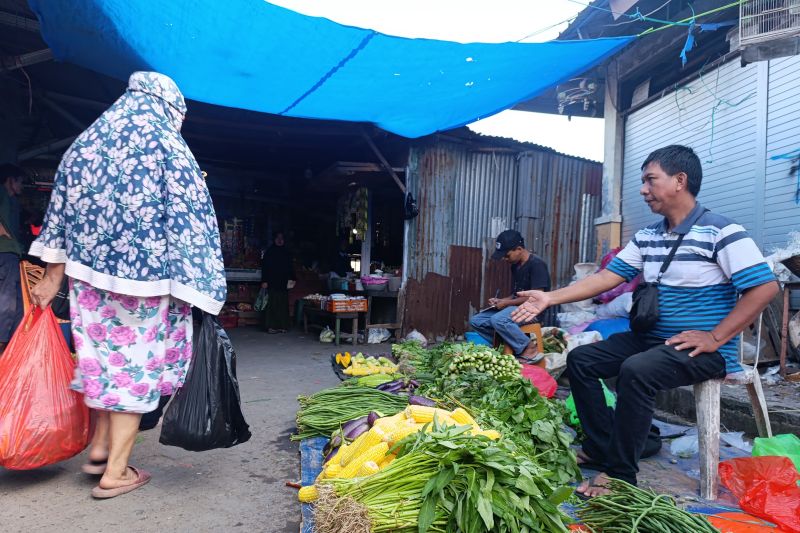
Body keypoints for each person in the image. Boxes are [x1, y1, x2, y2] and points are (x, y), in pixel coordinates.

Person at [512, 145, 778, 497]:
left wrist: (715, 337)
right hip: (654, 339)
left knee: (636, 370)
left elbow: (765, 287)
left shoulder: (722, 232)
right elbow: (608, 277)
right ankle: (602, 445)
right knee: (582, 359)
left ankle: (620, 475)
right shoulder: (649, 235)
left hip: (703, 349)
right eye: (643, 181)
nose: (643, 189)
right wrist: (550, 297)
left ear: (679, 181)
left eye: (650, 180)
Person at [29, 71, 226, 499]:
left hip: (87, 280)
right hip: (145, 286)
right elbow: (192, 220)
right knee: (135, 372)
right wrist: (203, 284)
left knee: (102, 362)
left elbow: (58, 211)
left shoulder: (84, 145)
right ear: (169, 107)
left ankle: (100, 448)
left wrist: (52, 273)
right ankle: (114, 472)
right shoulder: (168, 147)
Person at [469, 229, 550, 360]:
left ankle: (528, 347)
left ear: (519, 249)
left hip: (534, 310)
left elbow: (537, 297)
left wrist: (507, 303)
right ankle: (506, 342)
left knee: (498, 319)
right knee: (477, 320)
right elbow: (516, 295)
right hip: (518, 307)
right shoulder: (516, 266)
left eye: (507, 255)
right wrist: (500, 300)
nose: (506, 259)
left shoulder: (537, 265)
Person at [0, 164, 24, 354]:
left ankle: (11, 343)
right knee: (8, 298)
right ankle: (2, 341)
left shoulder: (12, 201)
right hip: (5, 252)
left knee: (15, 300)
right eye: (20, 182)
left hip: (12, 252)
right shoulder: (1, 193)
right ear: (10, 181)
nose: (21, 186)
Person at [261, 231, 296, 333]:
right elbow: (265, 268)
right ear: (274, 239)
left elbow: (290, 267)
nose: (280, 240)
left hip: (283, 283)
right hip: (271, 282)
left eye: (282, 238)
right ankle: (270, 327)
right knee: (271, 305)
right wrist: (264, 281)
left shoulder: (287, 252)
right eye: (278, 238)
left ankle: (282, 326)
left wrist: (293, 278)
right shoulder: (269, 252)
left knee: (282, 305)